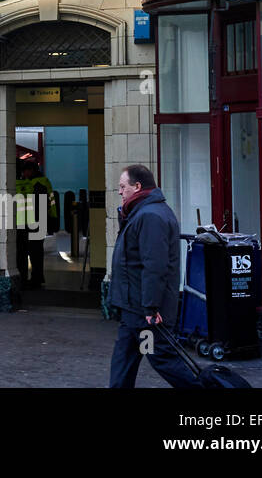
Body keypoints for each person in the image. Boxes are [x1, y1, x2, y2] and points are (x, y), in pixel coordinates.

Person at [108, 164, 200, 389]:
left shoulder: (150, 216)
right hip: (134, 306)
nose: (119, 191)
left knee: (162, 358)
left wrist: (151, 307)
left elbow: (154, 266)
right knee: (124, 358)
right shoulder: (142, 213)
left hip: (145, 309)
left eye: (122, 186)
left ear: (137, 186)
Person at [14, 159, 54, 289]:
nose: (24, 173)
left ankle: (23, 277)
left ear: (31, 171)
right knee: (36, 252)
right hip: (38, 221)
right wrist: (52, 218)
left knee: (23, 251)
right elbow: (51, 202)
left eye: (25, 171)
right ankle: (37, 278)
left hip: (25, 222)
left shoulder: (26, 184)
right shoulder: (45, 182)